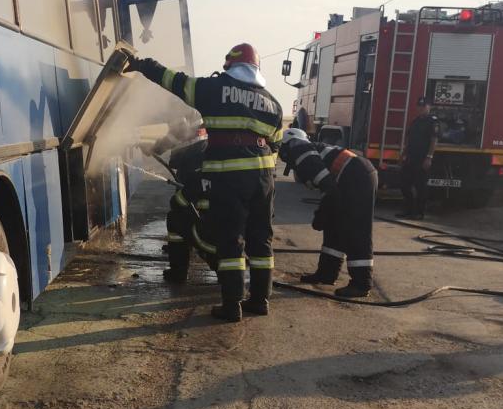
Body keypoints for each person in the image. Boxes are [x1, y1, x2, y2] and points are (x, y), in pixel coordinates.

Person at [128, 43, 283, 321]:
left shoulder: (213, 90)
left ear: (230, 67)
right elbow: (276, 144)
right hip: (264, 179)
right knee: (261, 240)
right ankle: (260, 300)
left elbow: (173, 81)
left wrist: (142, 64)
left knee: (231, 240)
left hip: (229, 177)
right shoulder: (273, 103)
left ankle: (232, 304)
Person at [279, 128, 378, 298]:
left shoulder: (300, 150)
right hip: (352, 176)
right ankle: (326, 274)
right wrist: (327, 213)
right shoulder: (307, 150)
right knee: (334, 226)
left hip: (357, 177)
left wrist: (322, 212)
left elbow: (328, 186)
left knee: (356, 229)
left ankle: (361, 284)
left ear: (287, 144)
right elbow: (329, 186)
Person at [148, 118, 217, 283]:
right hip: (194, 156)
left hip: (190, 157)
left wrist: (154, 148)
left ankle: (180, 269)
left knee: (178, 212)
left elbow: (178, 131)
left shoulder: (186, 111)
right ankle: (192, 246)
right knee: (189, 204)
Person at [398, 96, 438, 220]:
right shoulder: (415, 121)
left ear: (429, 107)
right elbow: (409, 140)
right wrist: (403, 154)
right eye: (419, 106)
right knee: (404, 184)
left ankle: (419, 213)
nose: (421, 109)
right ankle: (409, 210)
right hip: (411, 157)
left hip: (422, 158)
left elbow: (434, 140)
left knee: (421, 186)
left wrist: (429, 157)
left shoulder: (433, 122)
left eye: (424, 106)